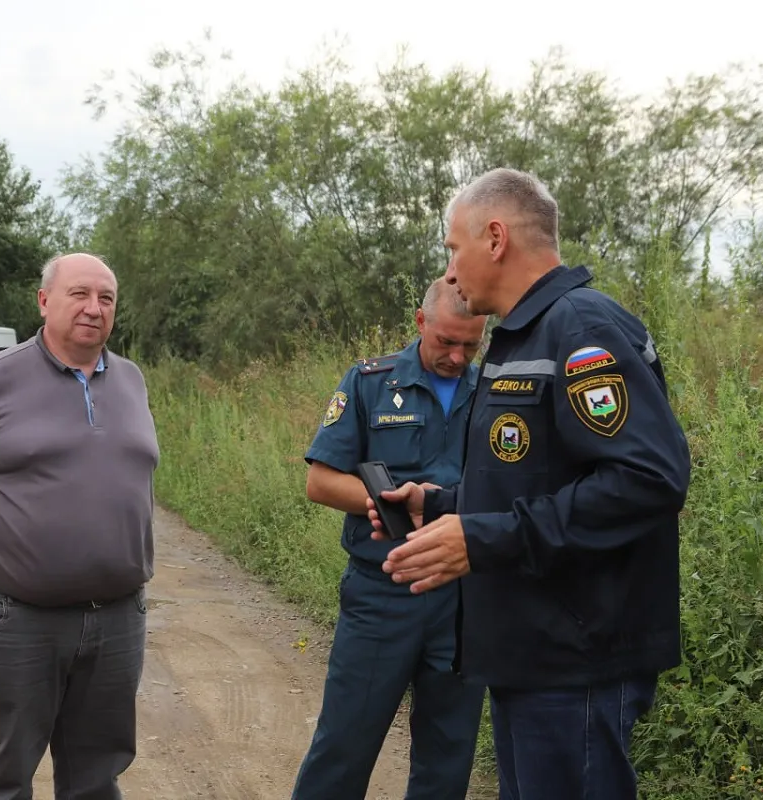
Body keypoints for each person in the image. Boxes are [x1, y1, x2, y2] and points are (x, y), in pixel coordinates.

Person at [367, 168, 691, 800]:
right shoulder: (518, 340)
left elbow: (647, 479)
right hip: (532, 650)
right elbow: (528, 482)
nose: (451, 271)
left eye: (452, 248)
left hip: (577, 657)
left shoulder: (582, 331)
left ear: (495, 238)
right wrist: (438, 507)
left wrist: (485, 542)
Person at [0, 252, 159, 800]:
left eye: (106, 298)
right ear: (44, 300)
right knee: (1, 776)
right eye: (79, 294)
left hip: (117, 618)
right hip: (15, 620)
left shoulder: (131, 381)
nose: (94, 308)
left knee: (98, 777)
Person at [290, 279, 489, 800]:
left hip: (465, 599)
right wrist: (391, 502)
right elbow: (320, 481)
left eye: (471, 344)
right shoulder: (369, 382)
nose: (457, 355)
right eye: (446, 340)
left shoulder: (496, 388)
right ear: (421, 323)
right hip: (383, 594)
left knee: (448, 756)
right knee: (344, 746)